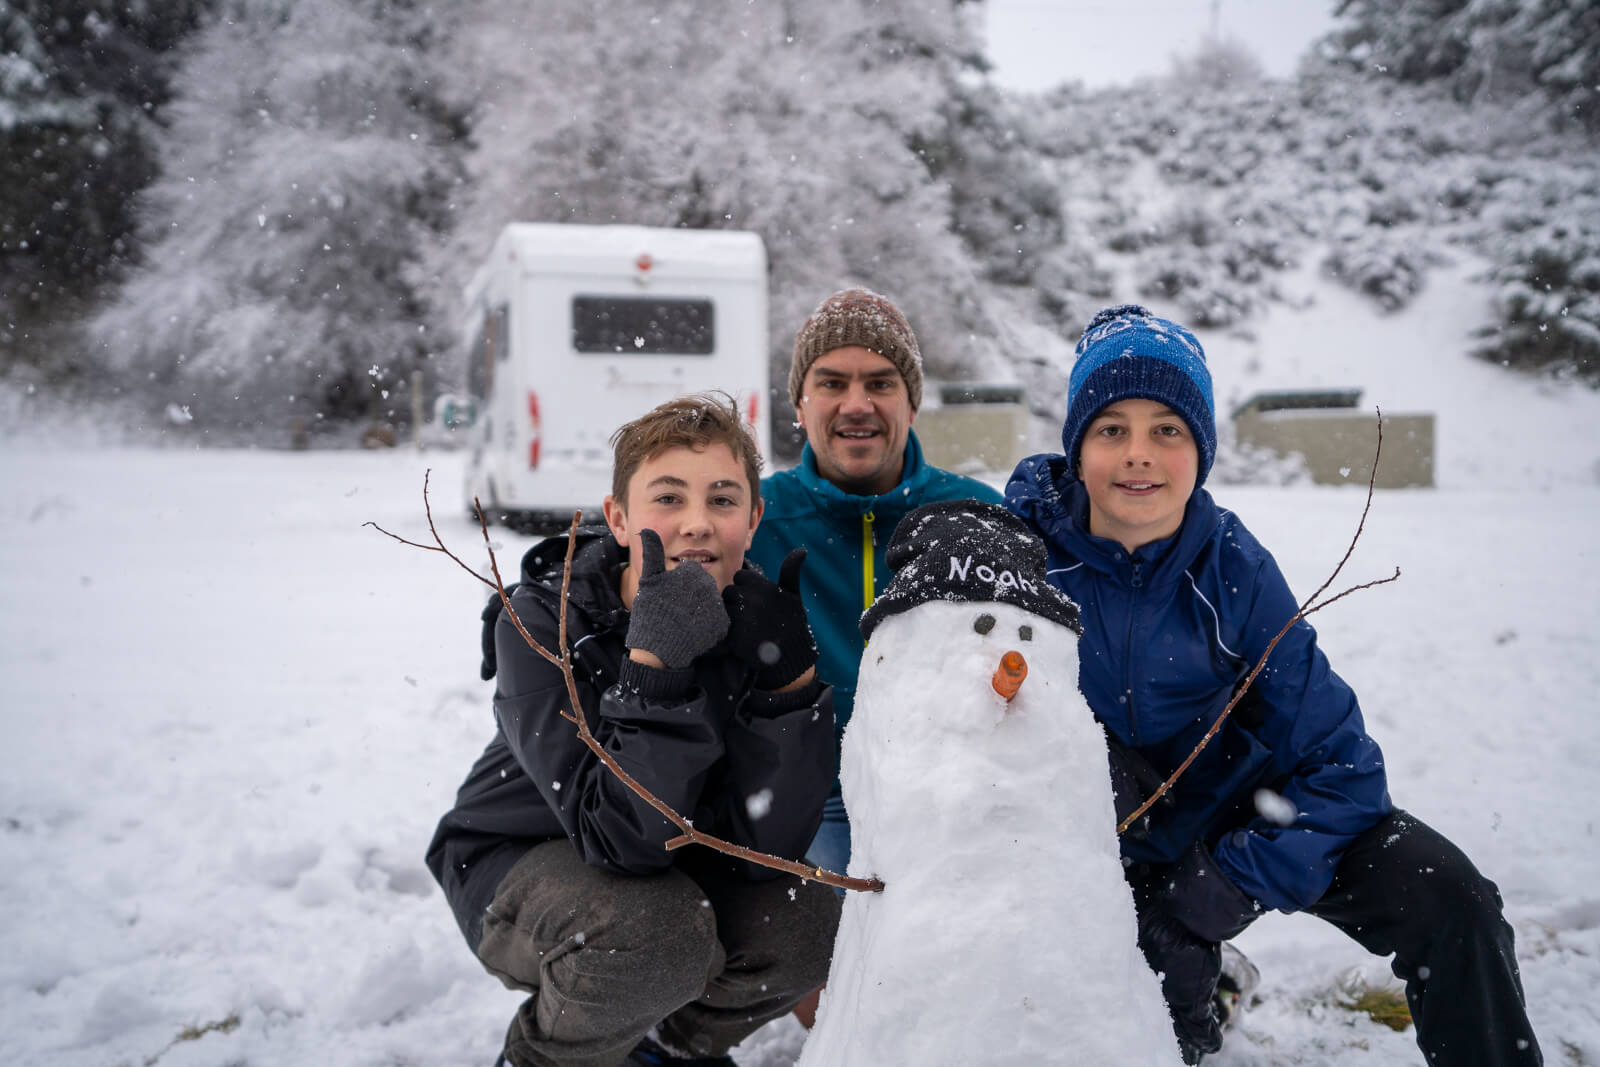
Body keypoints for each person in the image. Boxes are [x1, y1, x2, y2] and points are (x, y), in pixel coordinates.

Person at [1005, 304, 1543, 1065]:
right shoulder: (1018, 555)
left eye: (1168, 429)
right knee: (1143, 1032)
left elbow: (1346, 768)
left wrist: (1217, 889)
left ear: (1201, 449)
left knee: (1453, 899)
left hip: (1236, 824)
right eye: (1111, 428)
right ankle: (1195, 989)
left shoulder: (1235, 573)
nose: (1139, 455)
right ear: (1077, 444)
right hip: (1096, 843)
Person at [425, 393, 841, 1067]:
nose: (697, 524)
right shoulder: (542, 620)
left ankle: (664, 1049)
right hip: (516, 856)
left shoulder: (756, 620)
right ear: (617, 518)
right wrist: (653, 667)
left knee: (806, 916)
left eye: (724, 500)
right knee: (653, 934)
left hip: (668, 861)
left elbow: (766, 845)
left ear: (755, 517)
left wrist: (787, 693)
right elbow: (619, 839)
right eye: (668, 499)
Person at [746, 287, 1004, 883]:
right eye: (833, 383)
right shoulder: (756, 519)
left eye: (881, 383)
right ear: (801, 403)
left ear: (911, 404)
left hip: (949, 796)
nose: (857, 404)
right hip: (806, 801)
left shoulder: (977, 516)